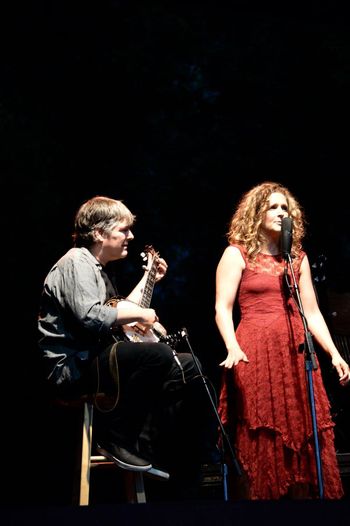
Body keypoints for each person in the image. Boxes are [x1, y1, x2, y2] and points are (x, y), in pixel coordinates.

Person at [38, 195, 217, 496]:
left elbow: (118, 313)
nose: (130, 237)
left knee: (189, 366)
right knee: (156, 354)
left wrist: (149, 280)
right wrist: (141, 313)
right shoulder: (76, 262)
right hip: (75, 366)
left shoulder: (98, 268)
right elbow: (93, 317)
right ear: (98, 233)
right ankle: (118, 438)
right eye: (123, 230)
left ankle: (174, 454)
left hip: (100, 356)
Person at [215, 181, 350, 500]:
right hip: (255, 350)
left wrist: (334, 353)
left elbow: (313, 312)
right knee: (262, 428)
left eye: (284, 208)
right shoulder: (237, 253)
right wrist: (232, 345)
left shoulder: (296, 257)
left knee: (302, 427)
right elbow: (222, 307)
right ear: (255, 213)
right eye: (272, 207)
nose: (280, 212)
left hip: (293, 351)